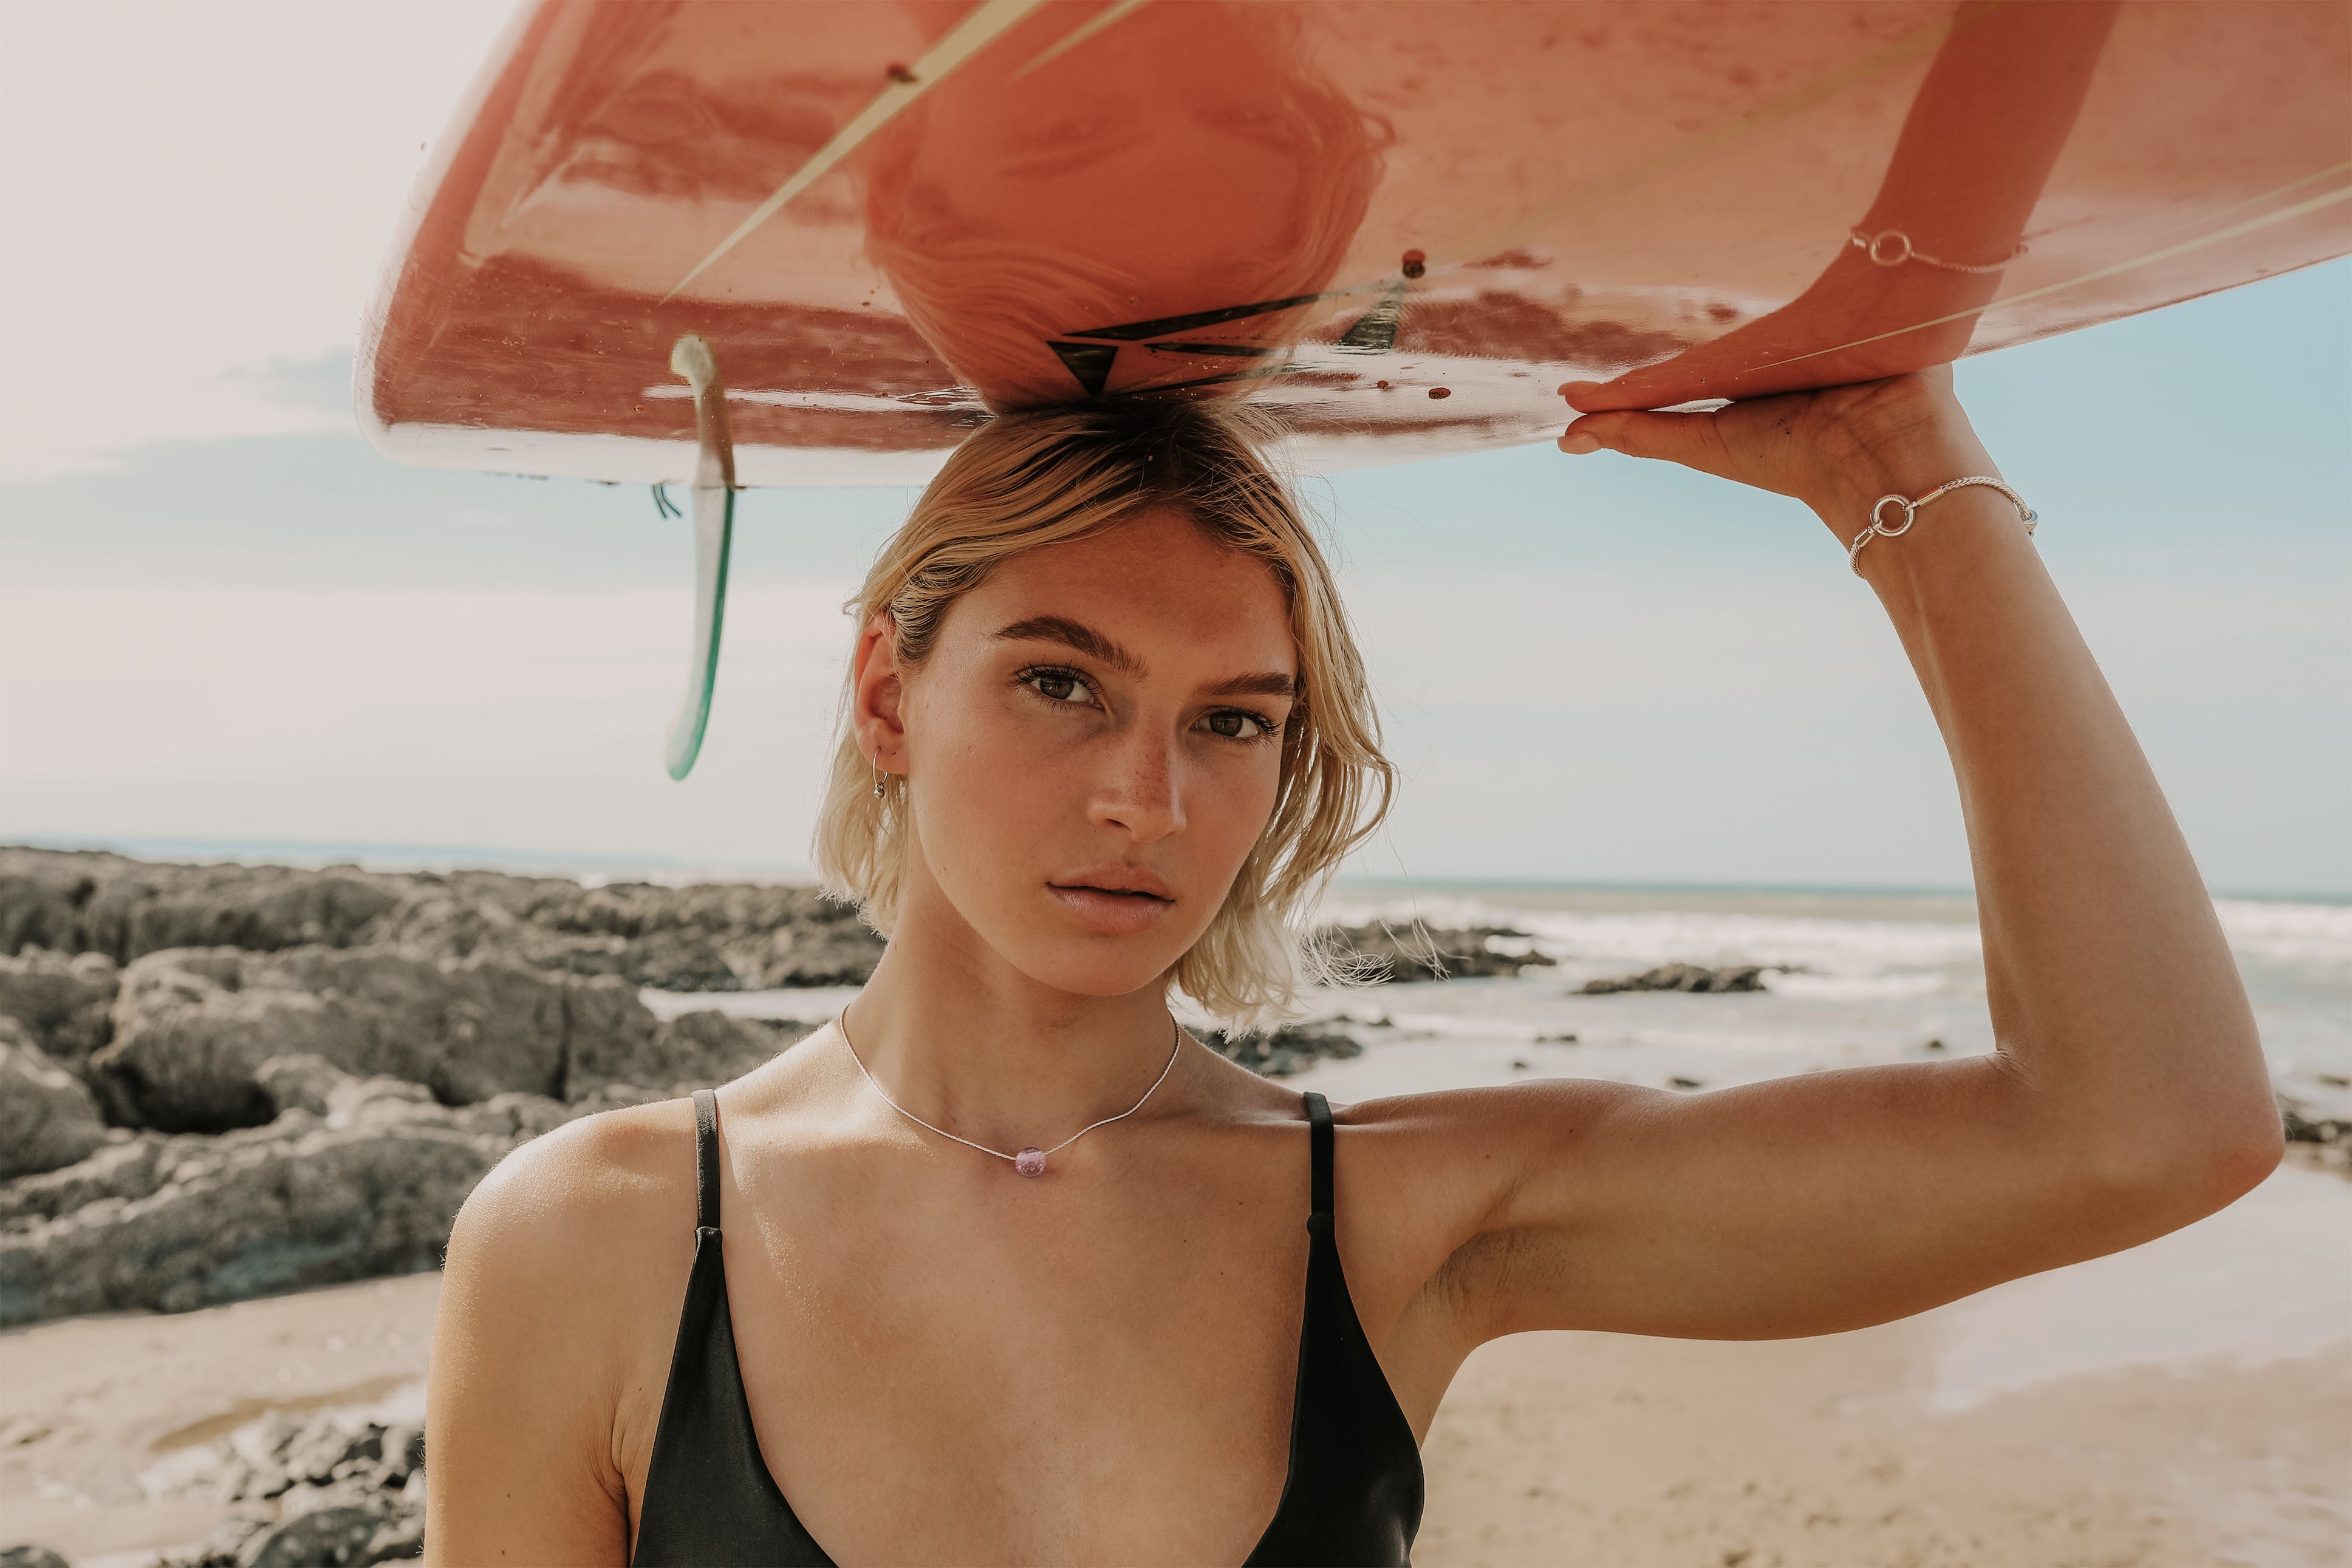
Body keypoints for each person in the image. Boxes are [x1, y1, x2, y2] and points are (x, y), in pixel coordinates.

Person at [425, 374, 2280, 1566]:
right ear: (891, 694)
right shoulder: (600, 1239)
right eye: (1060, 682)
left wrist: (1908, 477)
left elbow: (2152, 1123)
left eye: (1233, 720)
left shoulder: (1390, 1224)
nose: (1146, 798)